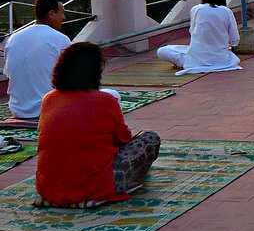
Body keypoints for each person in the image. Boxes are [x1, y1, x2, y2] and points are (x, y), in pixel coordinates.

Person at [35, 42, 162, 207]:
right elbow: (123, 139)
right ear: (95, 72)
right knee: (150, 138)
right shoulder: (105, 100)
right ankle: (110, 189)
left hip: (48, 188)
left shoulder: (49, 98)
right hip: (94, 185)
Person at [2, 0, 70, 121]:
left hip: (18, 110)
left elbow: (9, 73)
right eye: (62, 13)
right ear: (51, 14)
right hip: (49, 109)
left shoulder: (13, 38)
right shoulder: (61, 39)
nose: (64, 18)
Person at [155, 0, 241, 75]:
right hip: (222, 59)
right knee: (226, 55)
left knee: (162, 51)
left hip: (196, 59)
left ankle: (185, 63)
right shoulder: (227, 11)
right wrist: (231, 46)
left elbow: (192, 31)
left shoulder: (196, 9)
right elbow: (234, 39)